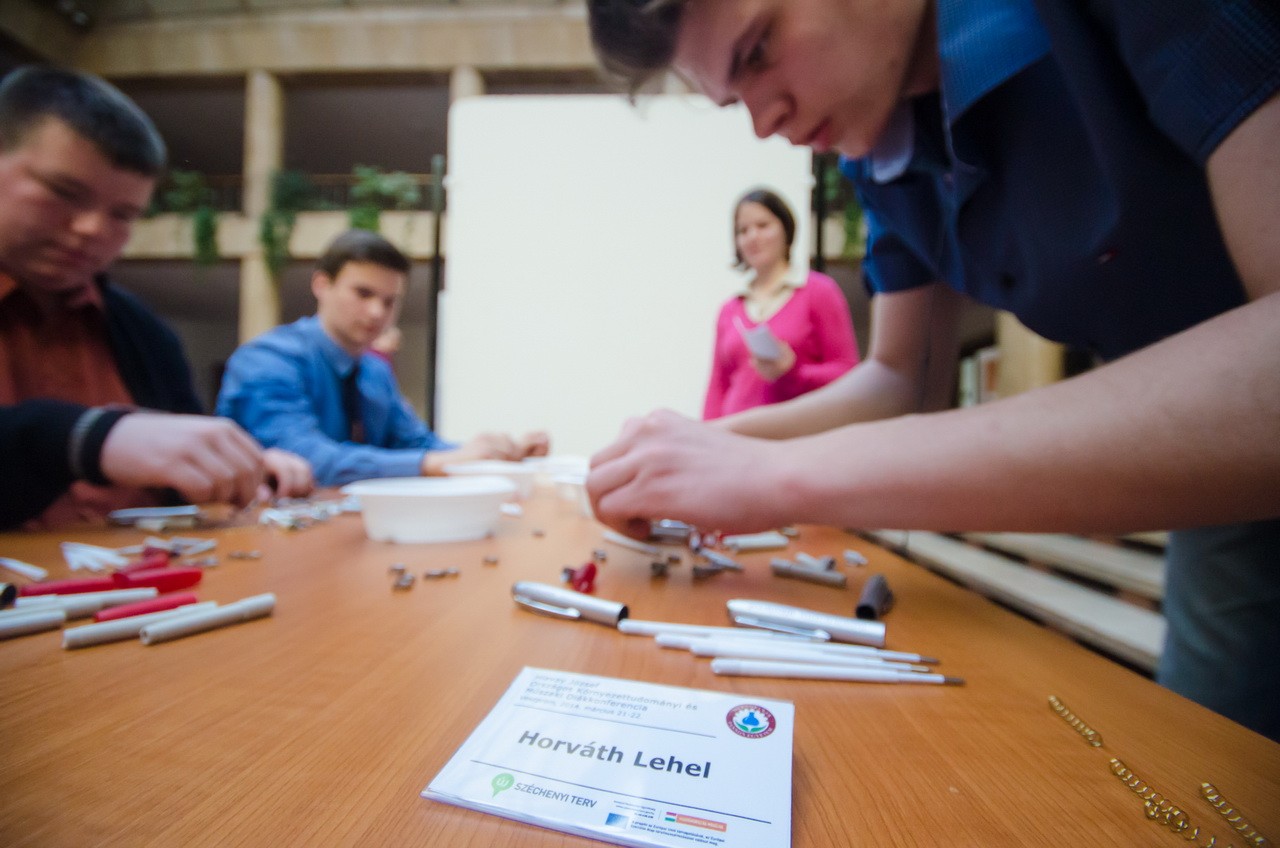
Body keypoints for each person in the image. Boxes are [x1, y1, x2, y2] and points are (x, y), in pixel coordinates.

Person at [583, 0, 1280, 741]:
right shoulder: (884, 149)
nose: (762, 122)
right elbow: (898, 382)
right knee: (1210, 745)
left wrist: (776, 474)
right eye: (732, 99)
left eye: (757, 52)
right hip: (1218, 475)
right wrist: (709, 448)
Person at [0, 65, 313, 532]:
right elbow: (84, 440)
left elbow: (180, 456)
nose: (92, 228)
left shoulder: (143, 332)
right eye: (64, 192)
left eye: (123, 215)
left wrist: (237, 466)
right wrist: (87, 439)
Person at [217, 229, 550, 487]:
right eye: (363, 293)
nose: (378, 312)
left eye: (390, 301)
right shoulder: (267, 360)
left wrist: (496, 454)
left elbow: (419, 444)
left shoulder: (374, 372)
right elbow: (307, 459)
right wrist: (442, 462)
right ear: (322, 285)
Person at [703, 188, 857, 419]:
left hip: (796, 432)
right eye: (743, 230)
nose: (753, 237)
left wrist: (795, 372)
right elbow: (717, 388)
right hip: (736, 434)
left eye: (763, 225)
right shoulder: (730, 310)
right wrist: (706, 435)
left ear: (785, 229)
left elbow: (847, 372)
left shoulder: (818, 292)